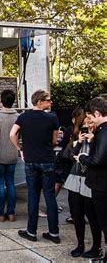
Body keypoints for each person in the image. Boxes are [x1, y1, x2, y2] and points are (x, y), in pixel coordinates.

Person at [10, 89, 60, 244]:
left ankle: (31, 231)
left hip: (31, 161)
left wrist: (20, 149)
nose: (50, 102)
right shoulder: (52, 118)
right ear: (39, 102)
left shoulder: (23, 117)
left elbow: (12, 134)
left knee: (33, 196)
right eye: (48, 100)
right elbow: (54, 140)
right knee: (50, 196)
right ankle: (53, 233)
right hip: (47, 160)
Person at [63, 113, 103, 259]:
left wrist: (92, 141)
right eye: (84, 126)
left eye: (90, 124)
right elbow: (68, 156)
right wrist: (78, 142)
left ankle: (97, 246)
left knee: (92, 216)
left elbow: (98, 159)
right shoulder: (76, 139)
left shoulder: (99, 138)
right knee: (77, 214)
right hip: (75, 178)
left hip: (89, 180)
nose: (88, 128)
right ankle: (80, 245)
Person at [74, 97, 107, 263]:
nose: (89, 121)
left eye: (91, 117)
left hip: (101, 183)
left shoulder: (103, 130)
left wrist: (83, 158)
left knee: (104, 222)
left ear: (97, 113)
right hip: (100, 182)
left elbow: (98, 160)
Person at [0, 89, 19, 222]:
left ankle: (0, 213)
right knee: (11, 183)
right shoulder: (18, 116)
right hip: (13, 153)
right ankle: (11, 213)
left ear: (1, 100)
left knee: (0, 183)